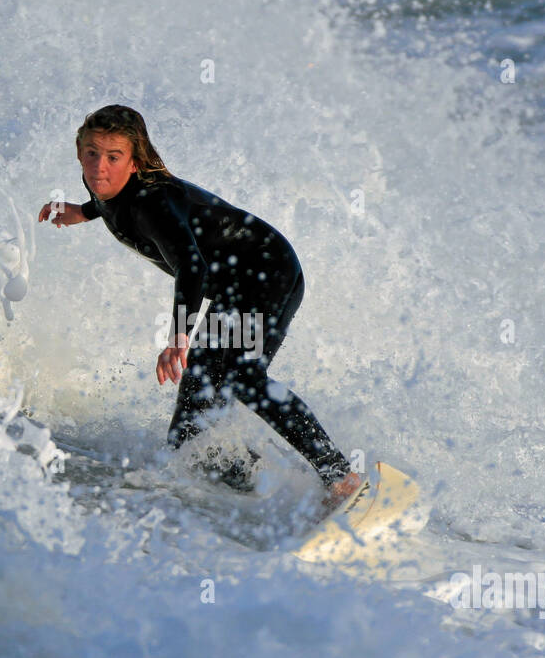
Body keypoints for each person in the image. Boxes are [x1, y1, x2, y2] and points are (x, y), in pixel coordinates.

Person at [37, 105, 362, 512]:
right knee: (190, 430)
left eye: (113, 157)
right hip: (232, 287)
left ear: (134, 162)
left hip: (267, 270)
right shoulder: (104, 184)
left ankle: (342, 477)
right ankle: (262, 482)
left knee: (244, 377)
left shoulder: (151, 203)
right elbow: (103, 200)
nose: (98, 167)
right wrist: (80, 212)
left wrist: (177, 337)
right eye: (90, 153)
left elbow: (191, 267)